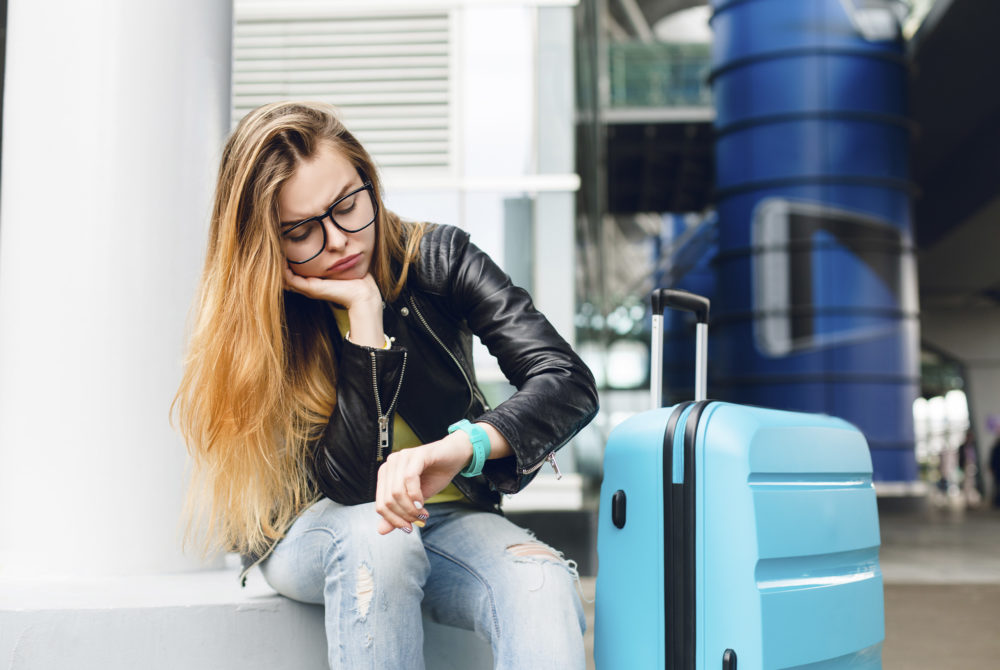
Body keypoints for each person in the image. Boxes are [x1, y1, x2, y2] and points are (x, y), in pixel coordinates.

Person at [172, 101, 599, 669]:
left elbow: (565, 380)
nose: (340, 241)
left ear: (368, 182)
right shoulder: (262, 316)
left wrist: (462, 447)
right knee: (379, 540)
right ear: (267, 243)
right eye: (301, 230)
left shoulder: (439, 260)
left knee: (540, 582)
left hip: (443, 517)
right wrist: (365, 319)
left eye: (347, 205)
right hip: (309, 527)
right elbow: (352, 489)